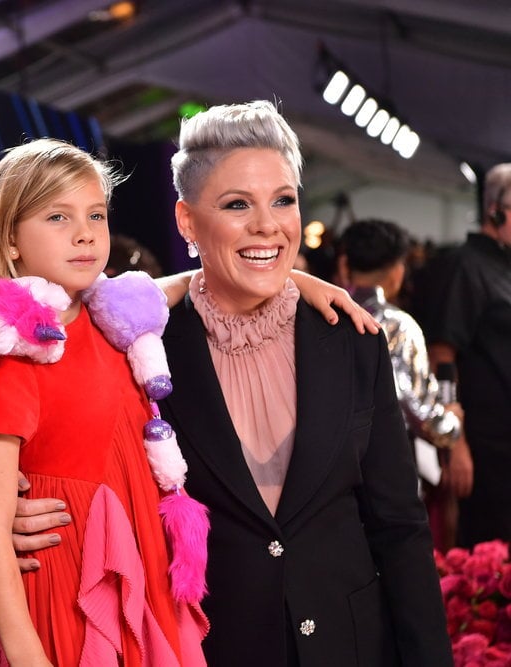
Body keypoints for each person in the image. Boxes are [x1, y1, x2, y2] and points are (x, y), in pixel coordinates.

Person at [157, 100, 451, 665]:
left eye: (283, 200)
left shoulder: (352, 338)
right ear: (187, 221)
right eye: (237, 204)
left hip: (353, 644)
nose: (267, 224)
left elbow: (399, 526)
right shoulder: (149, 349)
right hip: (217, 647)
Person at [0, 138, 209, 666]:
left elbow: (195, 281)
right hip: (65, 594)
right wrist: (27, 653)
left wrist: (300, 282)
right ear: (10, 241)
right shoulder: (10, 358)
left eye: (95, 215)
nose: (85, 234)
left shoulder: (113, 322)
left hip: (142, 572)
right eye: (57, 216)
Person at [338, 219, 466, 550]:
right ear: (398, 270)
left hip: (333, 479)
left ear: (344, 264)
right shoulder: (398, 325)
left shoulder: (323, 316)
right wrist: (452, 422)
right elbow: (420, 411)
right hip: (390, 477)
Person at [424, 162, 511, 547]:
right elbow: (441, 356)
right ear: (495, 211)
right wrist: (455, 444)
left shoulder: (501, 265)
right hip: (485, 444)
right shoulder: (464, 266)